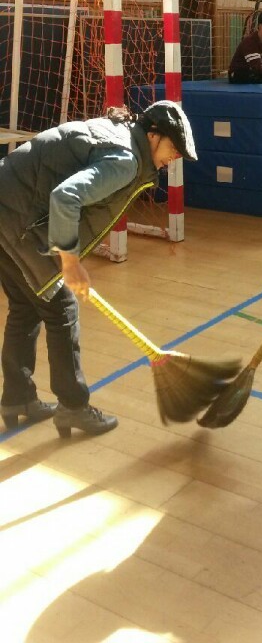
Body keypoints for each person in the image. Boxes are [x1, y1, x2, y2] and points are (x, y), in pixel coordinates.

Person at [0, 100, 197, 437]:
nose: (175, 157)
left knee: (25, 307)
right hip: (15, 218)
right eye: (174, 148)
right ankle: (74, 407)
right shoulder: (125, 160)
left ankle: (18, 398)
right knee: (62, 310)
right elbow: (66, 197)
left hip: (8, 208)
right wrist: (70, 262)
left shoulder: (121, 135)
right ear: (153, 135)